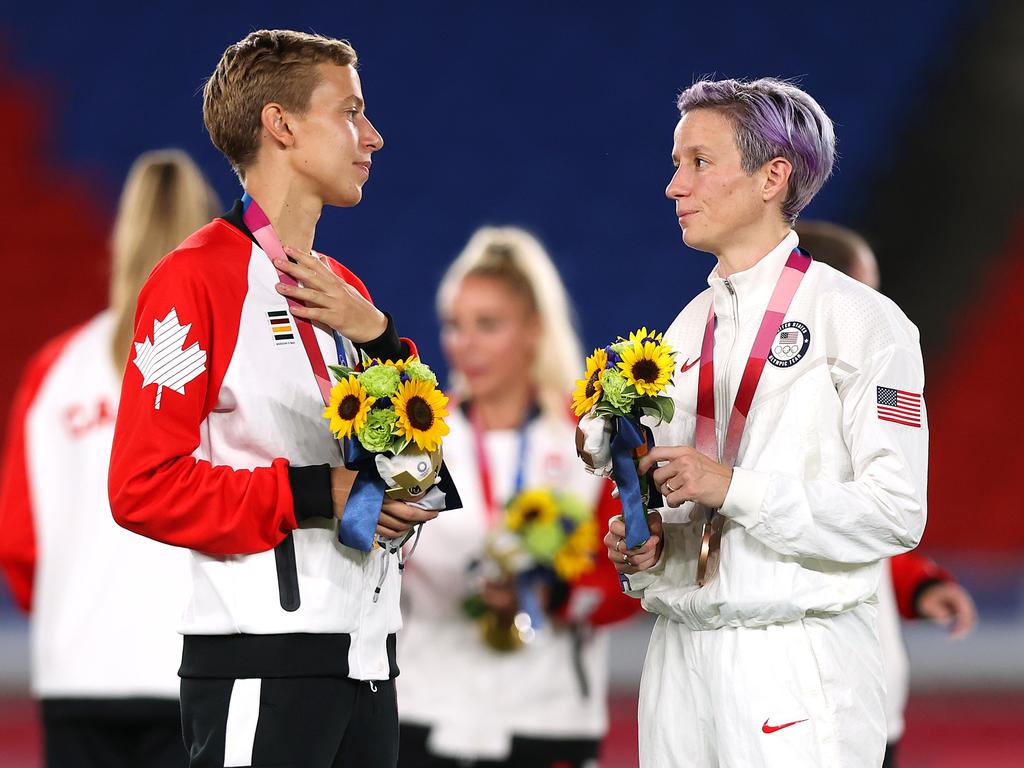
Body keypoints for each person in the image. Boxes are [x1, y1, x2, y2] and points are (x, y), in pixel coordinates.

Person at [107, 30, 451, 768]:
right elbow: (141, 487)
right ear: (281, 125)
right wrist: (317, 490)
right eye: (351, 112)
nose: (374, 137)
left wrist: (386, 340)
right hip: (260, 661)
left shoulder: (349, 293)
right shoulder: (194, 280)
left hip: (368, 661)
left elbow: (420, 477)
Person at [600, 78, 929, 767]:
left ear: (772, 178)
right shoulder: (685, 331)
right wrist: (654, 546)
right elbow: (695, 499)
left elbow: (896, 512)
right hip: (679, 661)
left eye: (699, 162)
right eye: (675, 162)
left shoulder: (864, 321)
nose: (674, 186)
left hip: (795, 661)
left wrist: (733, 487)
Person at [0, 149, 219, 768]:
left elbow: (18, 541)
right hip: (193, 665)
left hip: (77, 672)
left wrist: (73, 603)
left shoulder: (56, 370)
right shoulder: (223, 360)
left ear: (120, 238)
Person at [397, 227, 640, 768]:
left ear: (533, 330)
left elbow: (631, 578)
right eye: (454, 326)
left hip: (548, 716)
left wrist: (550, 594)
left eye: (488, 325)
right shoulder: (418, 442)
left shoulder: (589, 439)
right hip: (423, 709)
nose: (465, 345)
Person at [796, 219, 978, 767]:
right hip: (809, 692)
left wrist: (915, 584)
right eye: (867, 295)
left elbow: (867, 526)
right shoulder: (788, 425)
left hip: (870, 691)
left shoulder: (866, 401)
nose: (881, 311)